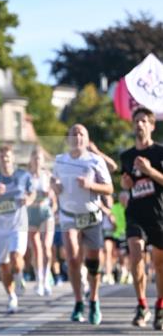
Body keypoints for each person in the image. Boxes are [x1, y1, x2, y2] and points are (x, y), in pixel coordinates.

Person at [51, 124, 113, 325]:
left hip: (92, 216)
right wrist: (55, 187)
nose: (77, 136)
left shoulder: (95, 160)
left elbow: (109, 188)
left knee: (93, 263)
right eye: (73, 133)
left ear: (86, 139)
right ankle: (78, 302)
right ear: (68, 138)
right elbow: (54, 181)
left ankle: (94, 300)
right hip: (69, 216)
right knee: (72, 258)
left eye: (81, 133)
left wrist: (90, 186)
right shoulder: (60, 160)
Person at [119, 107, 163, 330]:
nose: (140, 124)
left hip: (159, 215)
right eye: (136, 121)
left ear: (152, 126)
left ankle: (160, 307)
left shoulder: (160, 153)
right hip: (136, 214)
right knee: (136, 255)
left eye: (144, 121)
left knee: (159, 263)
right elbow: (126, 185)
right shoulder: (126, 157)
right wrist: (125, 186)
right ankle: (141, 304)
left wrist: (150, 170)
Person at [0, 145, 35, 313]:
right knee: (3, 265)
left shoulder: (23, 176)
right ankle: (11, 297)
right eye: (2, 158)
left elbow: (32, 193)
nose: (5, 161)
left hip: (18, 224)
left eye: (8, 158)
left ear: (13, 159)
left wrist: (28, 200)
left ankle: (19, 277)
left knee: (16, 257)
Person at [27, 147, 56, 296]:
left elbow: (54, 195)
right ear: (31, 160)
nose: (37, 161)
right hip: (31, 213)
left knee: (46, 247)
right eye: (35, 158)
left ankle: (46, 278)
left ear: (43, 161)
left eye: (40, 158)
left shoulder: (47, 176)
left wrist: (50, 194)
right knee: (36, 249)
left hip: (46, 213)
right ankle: (39, 279)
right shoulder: (26, 177)